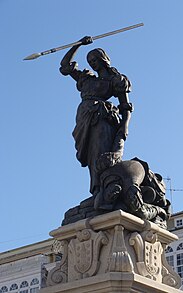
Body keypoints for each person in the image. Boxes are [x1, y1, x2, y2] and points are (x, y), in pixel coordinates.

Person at [59, 36, 133, 198]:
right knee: (91, 155)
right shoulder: (86, 79)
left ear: (103, 59)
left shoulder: (115, 80)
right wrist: (78, 44)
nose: (92, 62)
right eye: (89, 60)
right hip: (84, 118)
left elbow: (126, 107)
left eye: (94, 59)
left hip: (102, 118)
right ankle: (96, 190)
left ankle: (102, 188)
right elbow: (65, 66)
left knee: (100, 152)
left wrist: (125, 127)